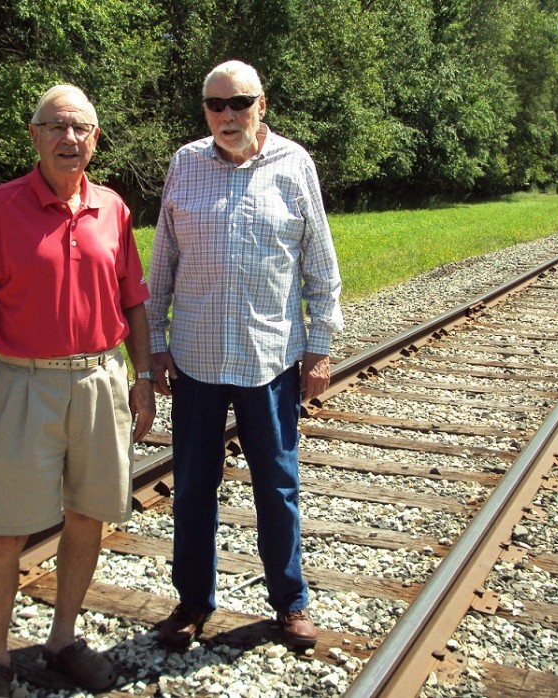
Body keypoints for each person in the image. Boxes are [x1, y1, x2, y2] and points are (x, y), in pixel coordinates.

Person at [0, 84, 156, 698]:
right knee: (6, 531)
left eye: (81, 128)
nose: (69, 138)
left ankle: (62, 638)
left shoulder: (113, 208)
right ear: (34, 135)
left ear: (95, 139)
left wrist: (140, 381)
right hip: (25, 383)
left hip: (99, 378)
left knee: (88, 517)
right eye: (56, 126)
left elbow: (134, 302)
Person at [146, 60, 343, 650]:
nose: (227, 115)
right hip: (197, 361)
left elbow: (320, 268)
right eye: (215, 104)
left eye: (240, 103)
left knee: (278, 486)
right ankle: (192, 601)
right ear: (205, 109)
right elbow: (162, 264)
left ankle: (289, 601)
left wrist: (320, 349)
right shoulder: (185, 164)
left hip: (270, 358)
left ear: (262, 105)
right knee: (192, 486)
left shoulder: (294, 165)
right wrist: (155, 340)